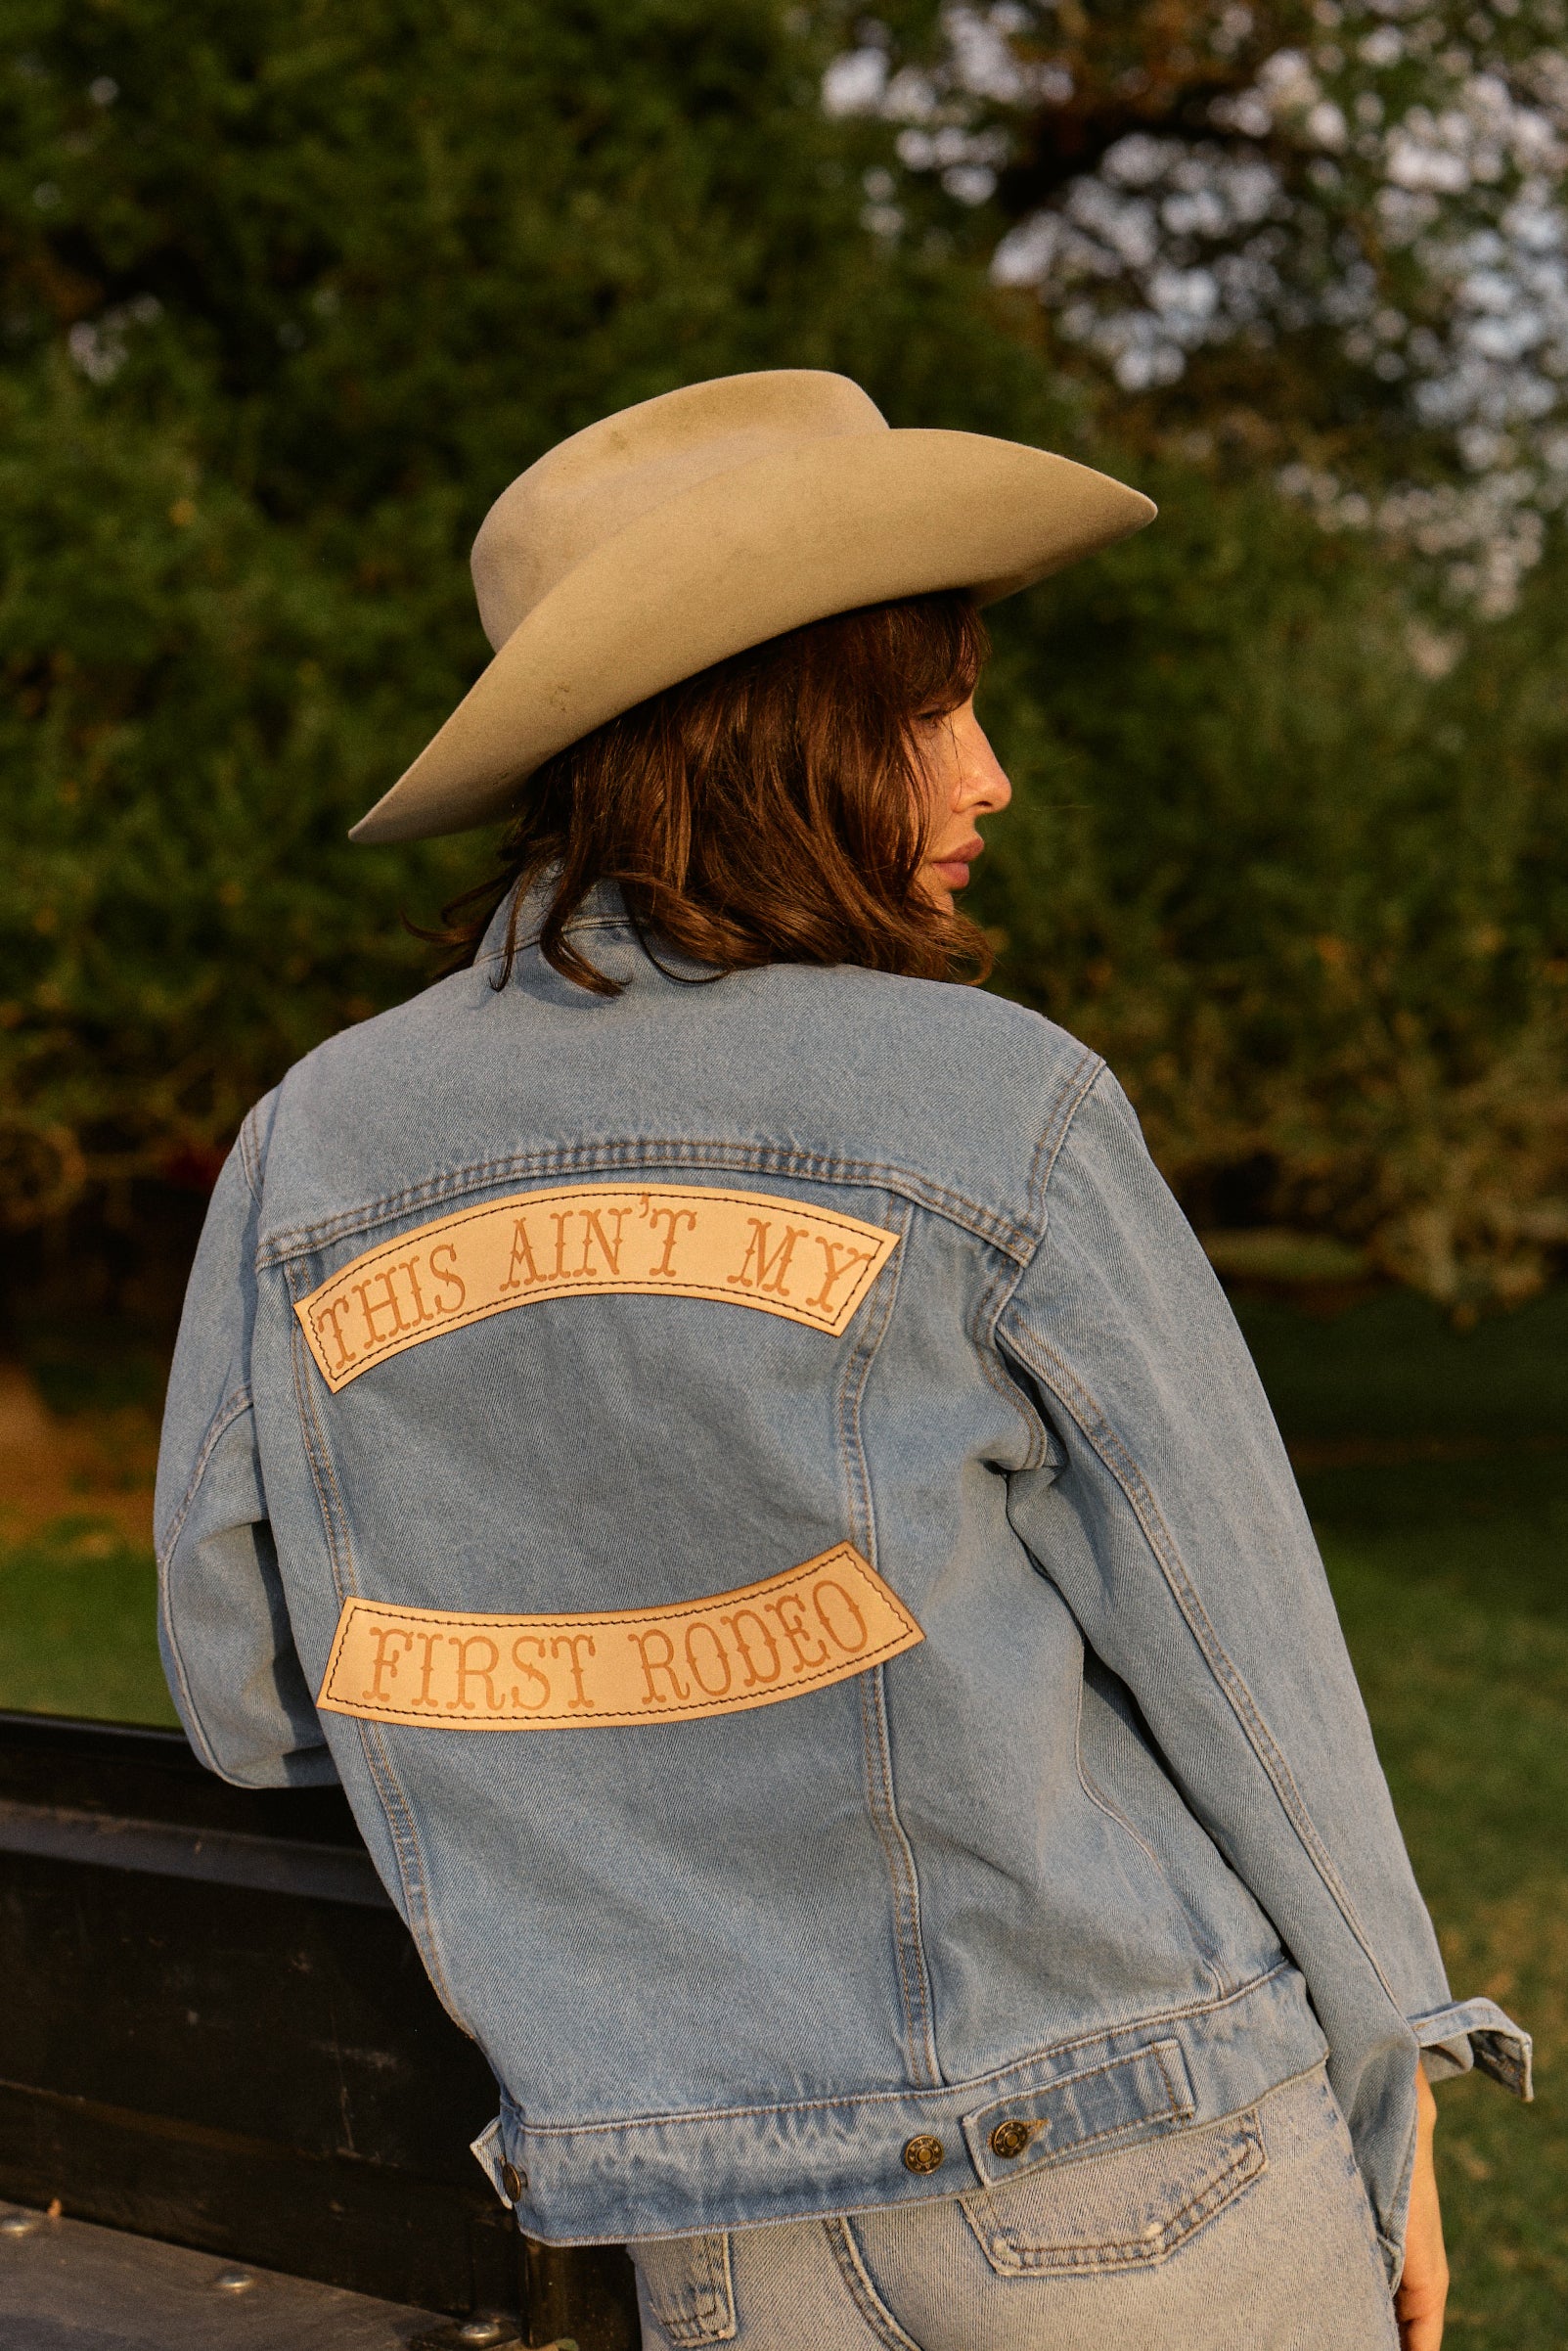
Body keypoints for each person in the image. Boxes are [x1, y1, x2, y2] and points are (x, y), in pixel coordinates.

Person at [156, 371, 1528, 2351]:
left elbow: (249, 1697)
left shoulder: (313, 1143)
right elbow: (1249, 1678)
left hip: (714, 2229)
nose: (987, 778)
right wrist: (1394, 2082)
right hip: (1141, 2165)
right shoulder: (1002, 1107)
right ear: (765, 719)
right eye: (923, 709)